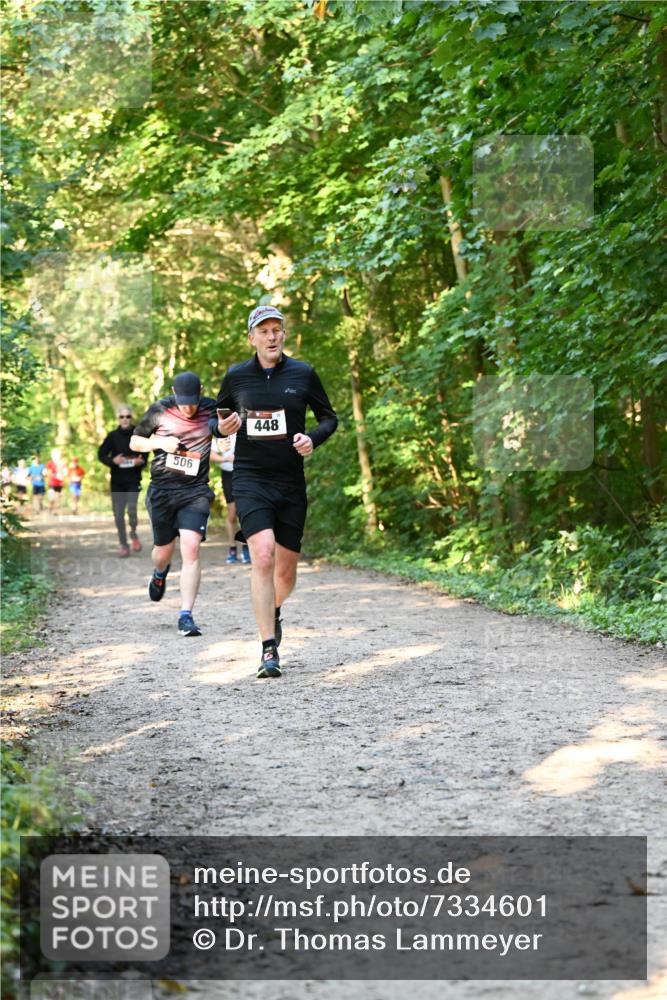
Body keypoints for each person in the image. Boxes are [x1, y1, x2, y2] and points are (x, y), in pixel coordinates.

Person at [212, 304, 337, 679]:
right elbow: (216, 422)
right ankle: (269, 648)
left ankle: (275, 609)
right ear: (251, 337)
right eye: (263, 331)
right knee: (262, 556)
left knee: (285, 570)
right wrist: (224, 429)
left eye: (277, 330)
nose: (271, 336)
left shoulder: (302, 374)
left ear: (284, 335)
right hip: (250, 479)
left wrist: (312, 439)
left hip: (289, 482)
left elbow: (329, 417)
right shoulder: (237, 378)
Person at [131, 372, 217, 637]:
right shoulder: (160, 409)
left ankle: (186, 615)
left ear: (201, 391)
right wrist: (159, 442)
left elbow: (234, 422)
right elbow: (135, 441)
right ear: (173, 393)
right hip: (162, 491)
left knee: (190, 549)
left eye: (193, 401)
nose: (188, 408)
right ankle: (160, 572)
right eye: (183, 402)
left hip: (195, 492)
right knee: (162, 552)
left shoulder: (212, 407)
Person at [98, 407, 145, 557]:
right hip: (117, 482)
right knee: (118, 515)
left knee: (132, 510)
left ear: (131, 418)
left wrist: (140, 461)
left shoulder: (138, 435)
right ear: (118, 418)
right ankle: (124, 545)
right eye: (122, 416)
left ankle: (133, 533)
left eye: (128, 416)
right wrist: (113, 461)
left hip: (133, 480)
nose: (125, 419)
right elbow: (101, 454)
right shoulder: (112, 436)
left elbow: (145, 454)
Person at [210, 433, 251, 565]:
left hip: (246, 474)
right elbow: (209, 453)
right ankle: (232, 547)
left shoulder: (247, 430)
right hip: (229, 474)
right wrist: (226, 459)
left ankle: (246, 547)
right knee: (232, 513)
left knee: (245, 513)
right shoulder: (222, 433)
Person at [44, 449, 66, 514]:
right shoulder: (50, 463)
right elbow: (45, 472)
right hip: (51, 483)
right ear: (52, 455)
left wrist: (62, 474)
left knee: (58, 496)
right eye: (55, 454)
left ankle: (55, 511)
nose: (57, 456)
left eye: (58, 454)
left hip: (59, 483)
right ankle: (50, 508)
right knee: (51, 498)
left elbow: (65, 471)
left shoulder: (62, 463)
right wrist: (49, 473)